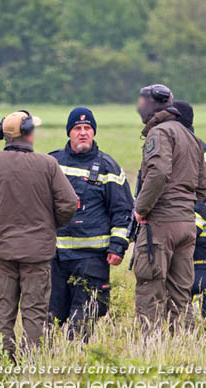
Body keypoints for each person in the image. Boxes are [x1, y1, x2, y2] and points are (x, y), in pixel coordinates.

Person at [0, 110, 78, 363]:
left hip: (1, 254)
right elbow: (69, 203)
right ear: (28, 133)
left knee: (2, 316)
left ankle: (2, 368)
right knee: (35, 315)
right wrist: (50, 227)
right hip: (37, 256)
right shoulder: (47, 165)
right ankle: (31, 368)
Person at [48, 107, 133, 339]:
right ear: (69, 133)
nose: (83, 133)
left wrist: (117, 247)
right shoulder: (51, 163)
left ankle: (77, 364)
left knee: (83, 318)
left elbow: (123, 210)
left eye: (88, 128)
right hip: (55, 258)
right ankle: (42, 363)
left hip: (92, 258)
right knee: (49, 317)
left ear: (94, 133)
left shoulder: (108, 167)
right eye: (77, 128)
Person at [132, 84, 206, 334]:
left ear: (154, 104)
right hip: (186, 225)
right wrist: (182, 204)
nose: (138, 107)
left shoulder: (160, 133)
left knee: (150, 289)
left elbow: (159, 172)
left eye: (141, 101)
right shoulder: (191, 136)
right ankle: (183, 347)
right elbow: (202, 187)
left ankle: (150, 348)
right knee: (181, 294)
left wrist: (141, 208)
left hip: (160, 225)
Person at [173, 100, 206, 318]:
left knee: (196, 288)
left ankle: (196, 333)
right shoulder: (171, 147)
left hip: (199, 239)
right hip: (177, 234)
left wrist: (191, 229)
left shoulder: (201, 151)